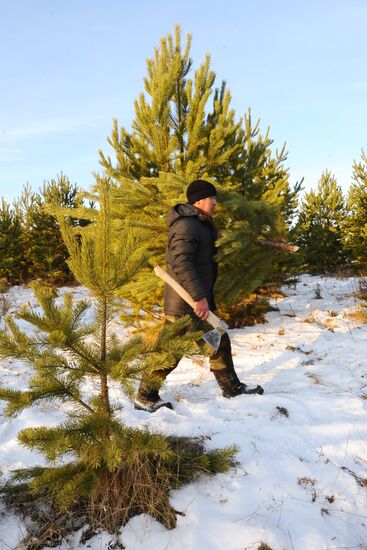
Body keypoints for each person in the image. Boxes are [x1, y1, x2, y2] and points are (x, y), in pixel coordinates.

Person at [134, 179, 264, 412]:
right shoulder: (186, 226)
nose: (216, 202)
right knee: (171, 351)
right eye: (212, 198)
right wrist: (198, 296)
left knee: (218, 340)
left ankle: (231, 388)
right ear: (199, 200)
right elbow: (181, 263)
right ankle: (145, 396)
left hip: (196, 301)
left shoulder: (201, 224)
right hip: (185, 303)